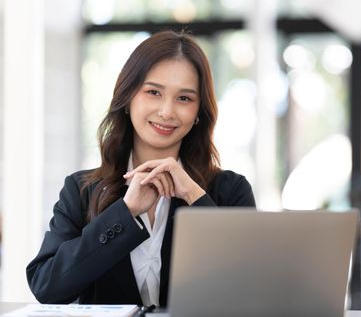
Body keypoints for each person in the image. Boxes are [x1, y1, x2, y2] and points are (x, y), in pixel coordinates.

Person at [26, 30, 256, 306]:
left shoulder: (229, 191)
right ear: (127, 98)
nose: (167, 111)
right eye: (153, 92)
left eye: (184, 98)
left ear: (198, 113)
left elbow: (248, 289)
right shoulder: (81, 189)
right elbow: (47, 287)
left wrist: (195, 198)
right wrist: (124, 212)